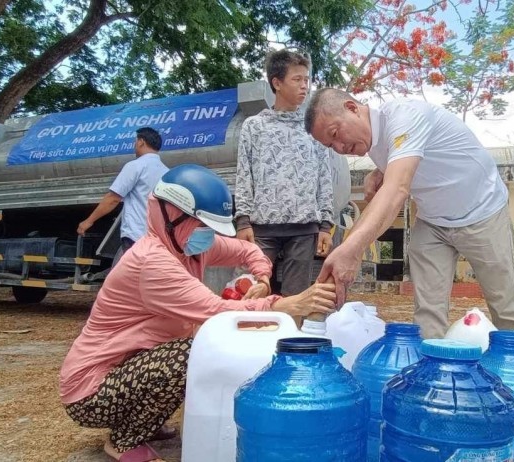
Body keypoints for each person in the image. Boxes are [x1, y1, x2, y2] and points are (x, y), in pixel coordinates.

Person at [60, 164, 336, 461]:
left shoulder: (188, 246)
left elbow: (247, 251)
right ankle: (124, 441)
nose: (207, 234)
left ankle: (142, 422)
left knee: (189, 352)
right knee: (189, 356)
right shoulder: (150, 261)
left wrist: (262, 279)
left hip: (123, 371)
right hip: (90, 392)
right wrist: (284, 305)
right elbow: (214, 311)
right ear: (168, 216)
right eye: (201, 224)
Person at [304, 87, 514, 339]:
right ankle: (431, 370)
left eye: (335, 134)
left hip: (483, 213)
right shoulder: (372, 142)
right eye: (330, 145)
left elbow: (397, 189)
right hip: (432, 222)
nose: (340, 147)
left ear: (352, 108)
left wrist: (350, 251)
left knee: (506, 309)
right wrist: (379, 172)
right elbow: (407, 160)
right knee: (428, 313)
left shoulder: (405, 116)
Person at [235, 49, 336, 297]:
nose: (304, 86)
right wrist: (243, 220)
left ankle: (289, 336)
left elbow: (325, 177)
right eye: (297, 79)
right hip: (261, 229)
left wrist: (325, 225)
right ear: (276, 83)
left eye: (306, 80)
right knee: (249, 292)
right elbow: (244, 176)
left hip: (304, 230)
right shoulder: (254, 127)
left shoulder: (313, 129)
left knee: (296, 298)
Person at [77, 127, 169, 256]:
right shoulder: (166, 172)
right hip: (157, 238)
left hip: (136, 236)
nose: (134, 145)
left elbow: (113, 198)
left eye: (135, 141)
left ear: (141, 142)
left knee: (133, 274)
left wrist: (88, 221)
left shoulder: (136, 166)